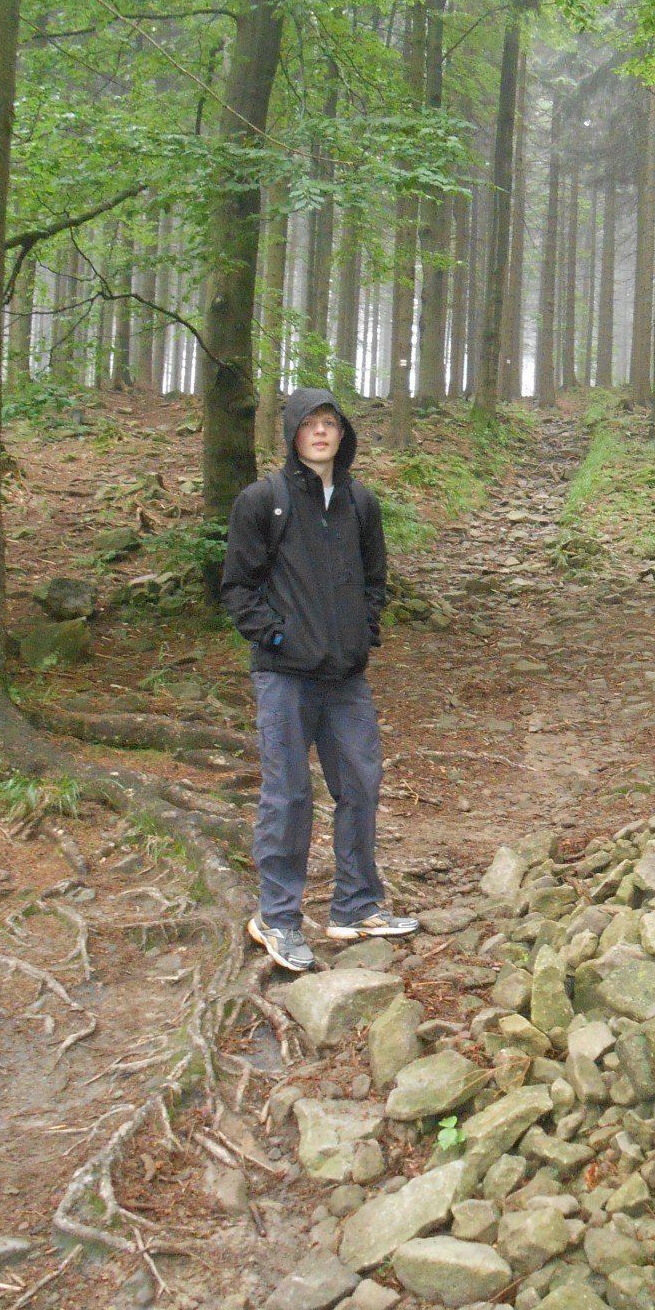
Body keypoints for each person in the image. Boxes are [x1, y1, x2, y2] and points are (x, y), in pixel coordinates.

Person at [221, 386, 419, 971]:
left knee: (361, 782)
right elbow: (237, 588)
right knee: (289, 794)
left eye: (330, 423)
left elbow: (375, 579)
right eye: (310, 424)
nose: (321, 432)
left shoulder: (361, 502)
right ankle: (277, 918)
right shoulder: (265, 500)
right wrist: (278, 636)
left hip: (346, 676)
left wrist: (364, 630)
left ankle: (356, 906)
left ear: (343, 434)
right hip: (285, 675)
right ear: (291, 434)